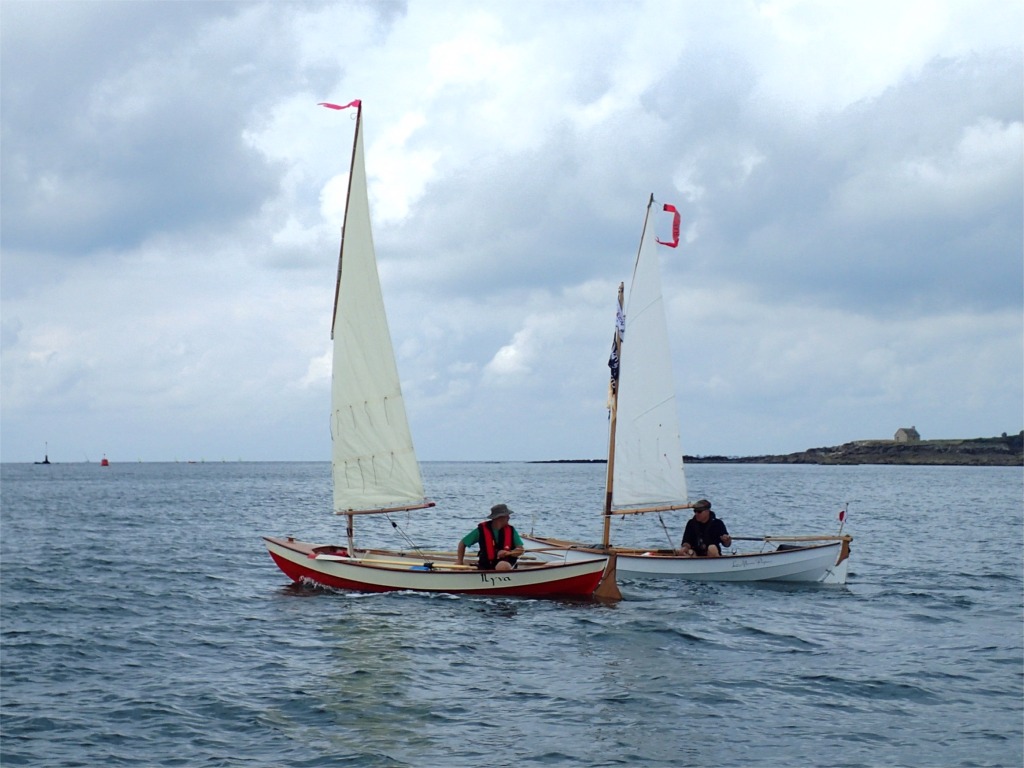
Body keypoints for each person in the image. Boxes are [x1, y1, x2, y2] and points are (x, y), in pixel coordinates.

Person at [456, 503, 524, 570]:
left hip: (506, 563)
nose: (509, 518)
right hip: (486, 565)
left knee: (502, 565)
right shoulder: (481, 530)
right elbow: (462, 543)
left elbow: (520, 550)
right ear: (499, 518)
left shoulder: (511, 530)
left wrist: (509, 553)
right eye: (507, 516)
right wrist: (460, 561)